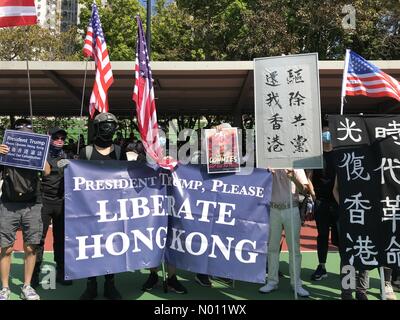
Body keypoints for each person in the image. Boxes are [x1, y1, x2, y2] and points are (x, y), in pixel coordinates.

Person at [78, 112, 126, 300]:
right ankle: (91, 284)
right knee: (91, 248)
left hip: (113, 210)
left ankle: (110, 284)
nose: (108, 128)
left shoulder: (120, 152)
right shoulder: (86, 152)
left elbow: (126, 179)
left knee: (112, 247)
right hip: (90, 210)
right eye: (104, 125)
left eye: (111, 125)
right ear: (97, 128)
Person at [0, 119, 42, 300]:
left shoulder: (37, 149)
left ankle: (27, 286)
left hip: (32, 204)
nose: (24, 137)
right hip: (8, 204)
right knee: (6, 248)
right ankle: (5, 287)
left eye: (28, 134)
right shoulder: (5, 152)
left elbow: (47, 171)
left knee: (31, 247)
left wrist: (42, 154)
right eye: (21, 134)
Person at [259, 169, 311, 297]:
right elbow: (259, 185)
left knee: (294, 249)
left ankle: (296, 284)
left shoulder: (295, 166)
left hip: (291, 208)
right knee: (272, 247)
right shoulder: (268, 164)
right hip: (273, 209)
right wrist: (266, 174)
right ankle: (272, 281)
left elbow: (305, 190)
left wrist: (293, 178)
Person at [32, 127, 72, 288]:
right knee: (39, 239)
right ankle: (34, 273)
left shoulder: (67, 156)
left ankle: (62, 271)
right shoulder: (40, 154)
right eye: (57, 137)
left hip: (62, 202)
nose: (60, 140)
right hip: (43, 201)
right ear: (50, 138)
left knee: (61, 239)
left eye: (62, 138)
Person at [309, 121, 339, 281]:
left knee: (340, 237)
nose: (326, 135)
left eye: (328, 132)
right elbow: (309, 178)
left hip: (338, 203)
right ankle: (321, 266)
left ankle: (346, 267)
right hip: (321, 202)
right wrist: (314, 198)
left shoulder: (340, 155)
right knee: (322, 236)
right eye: (323, 132)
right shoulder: (316, 156)